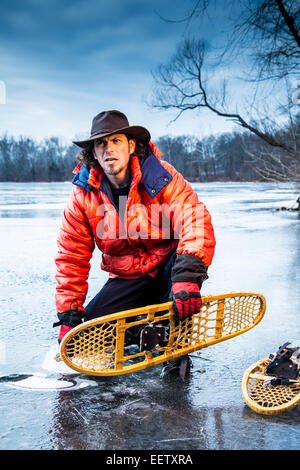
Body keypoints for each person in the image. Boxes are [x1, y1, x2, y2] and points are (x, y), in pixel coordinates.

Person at [54, 110, 216, 376]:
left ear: (131, 146)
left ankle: (175, 344)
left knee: (176, 297)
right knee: (91, 332)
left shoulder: (162, 177)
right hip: (128, 276)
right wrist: (69, 315)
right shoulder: (83, 195)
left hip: (169, 269)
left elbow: (196, 220)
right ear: (93, 153)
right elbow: (71, 254)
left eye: (116, 141)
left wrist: (187, 277)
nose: (108, 149)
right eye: (101, 143)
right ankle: (138, 328)